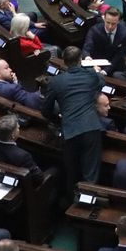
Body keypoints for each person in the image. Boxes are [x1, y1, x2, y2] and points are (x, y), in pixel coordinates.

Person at [46, 47, 106, 191]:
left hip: (70, 130)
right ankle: (86, 203)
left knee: (71, 172)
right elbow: (101, 82)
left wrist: (58, 119)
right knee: (90, 174)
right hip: (91, 128)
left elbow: (46, 110)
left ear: (65, 62)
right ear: (80, 60)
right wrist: (95, 70)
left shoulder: (55, 81)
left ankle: (70, 204)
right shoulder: (90, 74)